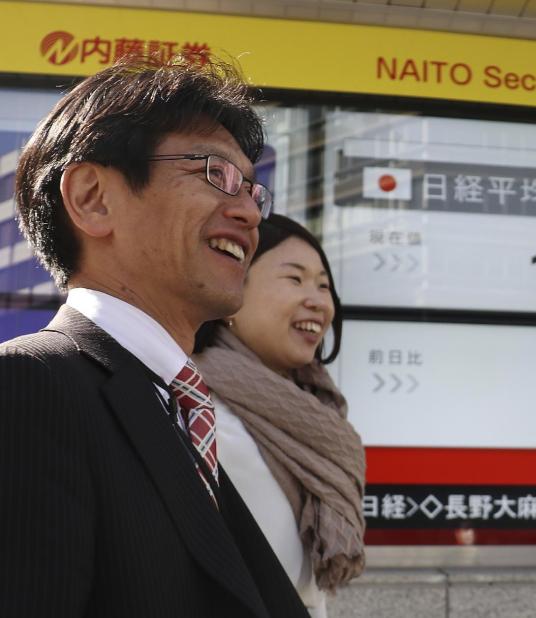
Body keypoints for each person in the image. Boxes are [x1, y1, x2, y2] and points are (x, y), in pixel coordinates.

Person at [0, 55, 310, 617]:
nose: (248, 213)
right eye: (215, 173)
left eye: (253, 191)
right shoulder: (26, 386)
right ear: (94, 198)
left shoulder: (177, 403)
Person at [194, 214, 366, 618]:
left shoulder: (316, 416)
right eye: (295, 279)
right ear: (231, 290)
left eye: (324, 285)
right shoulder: (198, 415)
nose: (319, 301)